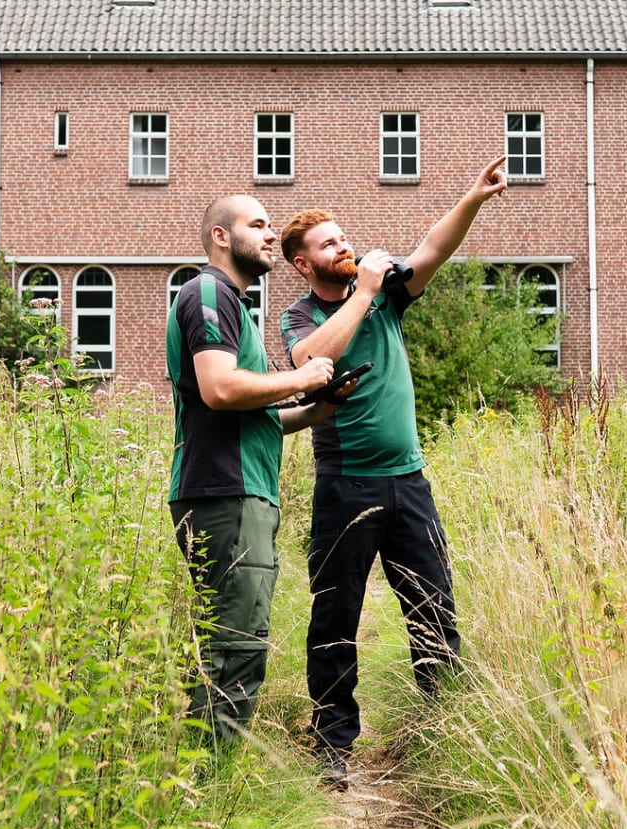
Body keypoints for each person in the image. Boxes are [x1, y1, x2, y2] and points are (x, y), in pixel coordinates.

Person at [277, 156, 509, 787]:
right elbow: (311, 363)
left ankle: (445, 731)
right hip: (344, 485)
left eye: (343, 237)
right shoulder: (302, 315)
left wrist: (473, 197)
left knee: (433, 608)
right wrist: (364, 294)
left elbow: (434, 248)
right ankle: (333, 746)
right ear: (303, 264)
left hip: (410, 482)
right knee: (335, 618)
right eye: (328, 244)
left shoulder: (389, 295)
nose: (343, 246)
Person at [168, 194, 343, 743]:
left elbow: (253, 412)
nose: (270, 234)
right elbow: (220, 389)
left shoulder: (233, 305)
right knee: (235, 647)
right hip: (226, 491)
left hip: (239, 490)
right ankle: (210, 777)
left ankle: (204, 771)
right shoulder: (208, 292)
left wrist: (318, 408)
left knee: (232, 639)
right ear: (221, 236)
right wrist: (302, 377)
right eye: (258, 225)